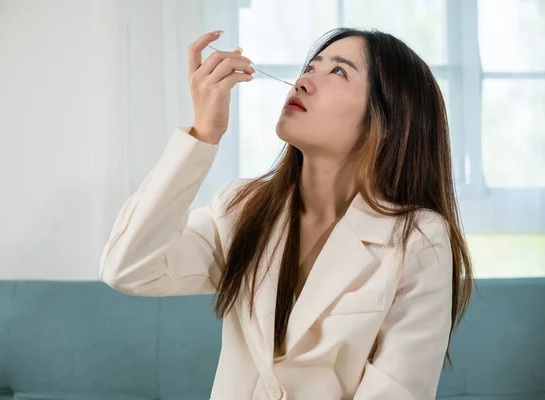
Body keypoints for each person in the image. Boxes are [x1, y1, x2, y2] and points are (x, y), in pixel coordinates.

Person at [99, 27, 474, 400]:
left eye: (339, 71)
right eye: (310, 67)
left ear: (389, 122)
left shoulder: (418, 239)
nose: (303, 82)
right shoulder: (240, 207)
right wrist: (202, 134)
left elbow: (398, 391)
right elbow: (129, 268)